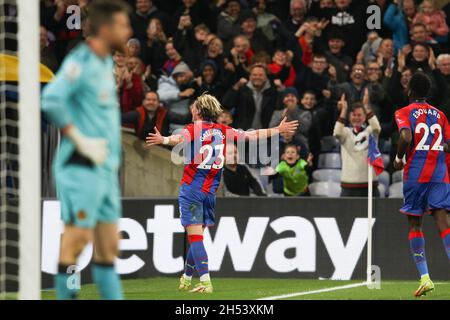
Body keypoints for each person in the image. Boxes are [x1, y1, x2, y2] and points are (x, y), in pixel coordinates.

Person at [146, 93, 298, 293]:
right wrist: (277, 130)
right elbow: (251, 136)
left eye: (194, 107)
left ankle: (206, 281)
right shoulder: (222, 130)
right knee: (198, 236)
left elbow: (178, 138)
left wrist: (163, 138)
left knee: (195, 239)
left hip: (192, 191)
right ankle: (187, 276)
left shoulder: (194, 128)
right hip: (210, 193)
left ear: (199, 111)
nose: (191, 109)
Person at [41, 0, 132, 300]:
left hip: (105, 169)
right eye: (123, 25)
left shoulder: (106, 61)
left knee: (108, 248)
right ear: (105, 29)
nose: (129, 31)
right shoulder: (81, 60)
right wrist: (78, 138)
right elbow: (51, 99)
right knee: (76, 240)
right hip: (81, 165)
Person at [393, 72, 450, 298]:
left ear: (409, 90)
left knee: (415, 225)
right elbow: (448, 145)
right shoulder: (441, 115)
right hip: (439, 174)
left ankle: (425, 278)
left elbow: (406, 136)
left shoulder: (404, 112)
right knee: (444, 223)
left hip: (416, 174)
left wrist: (398, 158)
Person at [333, 90, 381, 197]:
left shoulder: (370, 132)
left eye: (359, 115)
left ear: (365, 117)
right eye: (354, 115)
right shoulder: (346, 132)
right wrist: (343, 111)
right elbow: (337, 133)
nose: (356, 118)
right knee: (346, 214)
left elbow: (377, 127)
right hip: (348, 185)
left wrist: (367, 107)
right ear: (350, 117)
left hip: (370, 184)